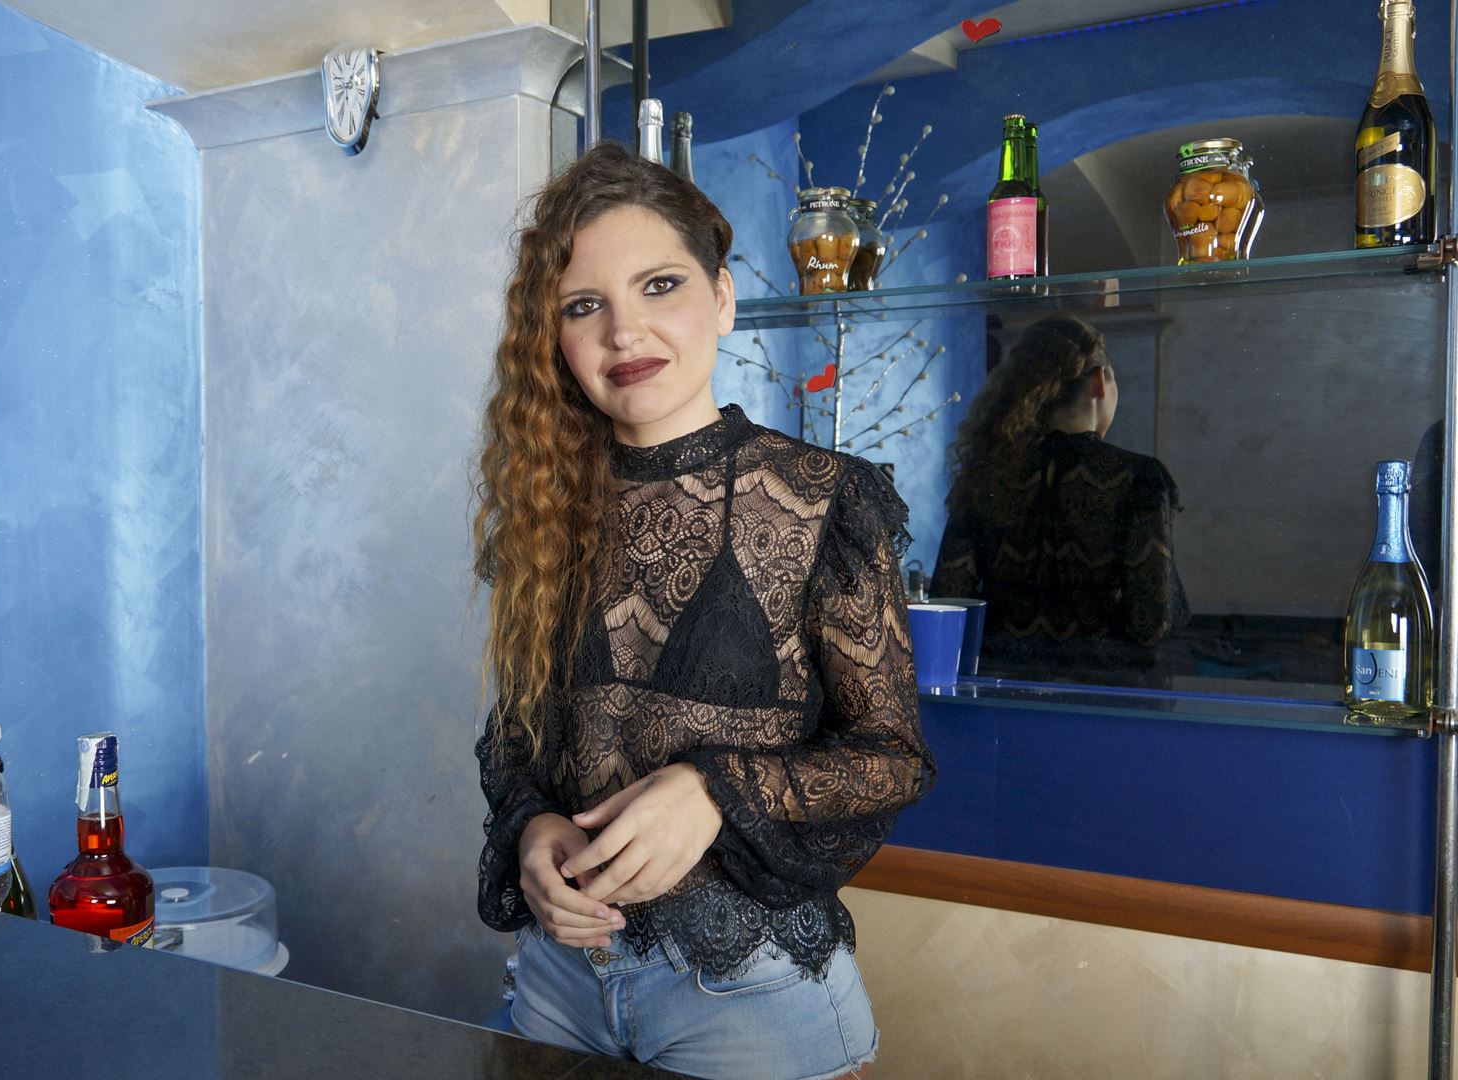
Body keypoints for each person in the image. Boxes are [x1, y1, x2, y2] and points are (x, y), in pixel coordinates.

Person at [470, 140, 934, 1080]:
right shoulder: (545, 507)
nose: (624, 332)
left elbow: (892, 757)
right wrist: (531, 829)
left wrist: (717, 788)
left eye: (660, 286)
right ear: (553, 336)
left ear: (722, 297)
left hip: (752, 1001)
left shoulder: (822, 499)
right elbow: (518, 732)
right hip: (559, 982)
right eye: (584, 305)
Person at [933, 313, 1188, 674]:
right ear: (1099, 381)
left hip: (1001, 683)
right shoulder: (1138, 477)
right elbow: (1152, 621)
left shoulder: (986, 475)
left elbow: (949, 597)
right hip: (1103, 689)